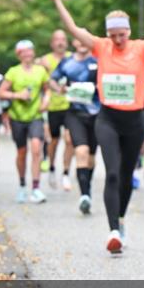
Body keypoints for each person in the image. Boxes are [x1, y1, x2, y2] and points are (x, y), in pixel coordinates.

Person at [35, 0, 144, 254]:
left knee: (126, 175)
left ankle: (120, 219)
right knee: (111, 174)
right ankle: (113, 232)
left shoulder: (141, 48)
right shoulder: (100, 46)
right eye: (113, 35)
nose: (117, 40)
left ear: (128, 32)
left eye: (121, 34)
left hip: (134, 122)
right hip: (107, 119)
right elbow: (73, 29)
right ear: (107, 34)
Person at [49, 38, 100, 214]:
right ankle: (84, 195)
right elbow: (52, 80)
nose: (83, 43)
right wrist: (59, 89)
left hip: (96, 114)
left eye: (86, 40)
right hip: (75, 113)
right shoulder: (67, 62)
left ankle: (87, 187)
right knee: (81, 151)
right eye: (79, 40)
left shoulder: (97, 60)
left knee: (91, 157)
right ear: (75, 43)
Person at [0, 40, 50, 204]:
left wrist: (45, 102)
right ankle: (22, 186)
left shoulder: (41, 71)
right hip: (17, 117)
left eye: (30, 50)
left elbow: (47, 90)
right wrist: (17, 95)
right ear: (18, 55)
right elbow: (0, 93)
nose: (28, 54)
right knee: (22, 152)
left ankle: (36, 188)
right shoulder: (13, 72)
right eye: (24, 51)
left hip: (35, 116)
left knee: (36, 149)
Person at [39, 30, 74, 191]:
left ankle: (66, 173)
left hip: (70, 105)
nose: (60, 42)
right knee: (53, 141)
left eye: (63, 39)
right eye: (57, 40)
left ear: (67, 42)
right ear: (52, 43)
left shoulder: (72, 58)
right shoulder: (45, 60)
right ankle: (52, 167)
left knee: (70, 139)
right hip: (52, 106)